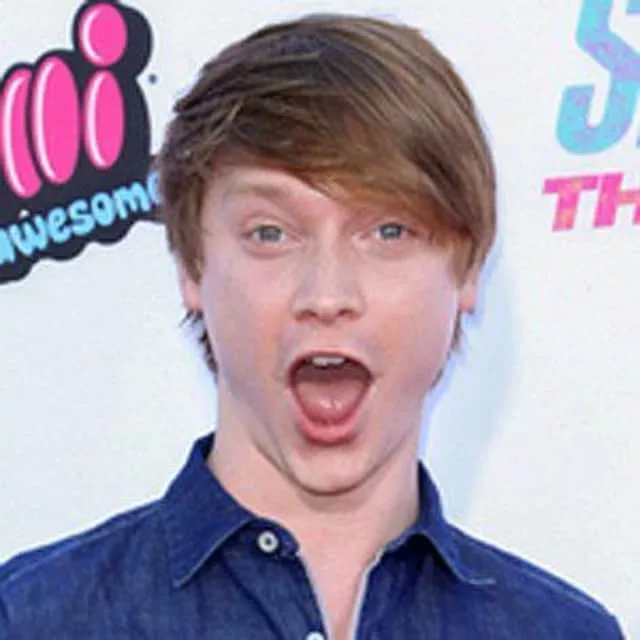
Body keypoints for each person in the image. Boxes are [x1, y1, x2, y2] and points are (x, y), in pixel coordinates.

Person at [0, 12, 624, 640]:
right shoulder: (31, 620)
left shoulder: (563, 633)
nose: (327, 295)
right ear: (192, 265)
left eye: (389, 231)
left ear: (466, 269)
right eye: (270, 233)